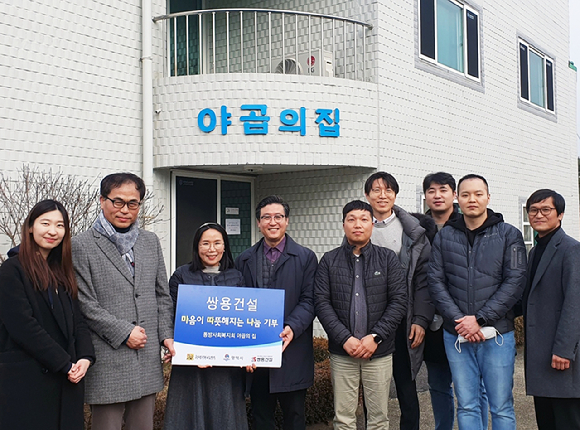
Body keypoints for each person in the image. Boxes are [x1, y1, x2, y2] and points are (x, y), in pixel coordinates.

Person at [72, 173, 174, 430]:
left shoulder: (150, 241)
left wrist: (166, 336)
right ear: (102, 200)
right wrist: (124, 332)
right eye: (117, 202)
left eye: (133, 203)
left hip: (146, 356)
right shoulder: (81, 245)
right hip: (108, 358)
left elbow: (162, 295)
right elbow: (84, 302)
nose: (125, 210)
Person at [428, 174, 526, 430]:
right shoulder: (445, 236)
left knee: (501, 406)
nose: (472, 199)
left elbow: (515, 282)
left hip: (498, 334)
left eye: (478, 194)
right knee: (467, 404)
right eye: (466, 194)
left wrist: (480, 319)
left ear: (488, 197)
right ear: (458, 199)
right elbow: (435, 282)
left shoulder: (509, 235)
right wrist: (460, 321)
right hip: (456, 334)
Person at [0, 199, 95, 430]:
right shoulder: (11, 270)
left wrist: (85, 357)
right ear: (30, 227)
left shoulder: (61, 271)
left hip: (66, 380)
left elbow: (78, 320)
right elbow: (23, 327)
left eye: (60, 225)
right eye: (45, 223)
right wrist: (64, 363)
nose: (53, 231)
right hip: (28, 381)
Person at [314, 200, 407, 430]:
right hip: (343, 352)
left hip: (379, 351)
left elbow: (398, 301)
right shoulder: (329, 260)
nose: (358, 225)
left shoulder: (387, 259)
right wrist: (344, 338)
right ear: (343, 224)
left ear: (372, 225)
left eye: (364, 219)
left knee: (378, 418)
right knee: (344, 418)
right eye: (352, 219)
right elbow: (322, 303)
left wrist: (376, 337)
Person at [235, 195, 317, 430]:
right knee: (261, 417)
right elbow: (239, 304)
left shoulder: (305, 258)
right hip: (257, 351)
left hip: (292, 349)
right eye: (266, 217)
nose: (273, 222)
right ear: (258, 223)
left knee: (295, 417)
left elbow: (310, 300)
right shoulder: (245, 259)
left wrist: (291, 327)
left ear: (287, 221)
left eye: (278, 217)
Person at [364, 171, 433, 430]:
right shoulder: (360, 225)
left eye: (388, 190)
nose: (382, 195)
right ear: (367, 195)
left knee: (406, 385)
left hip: (404, 319)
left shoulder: (412, 231)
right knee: (372, 387)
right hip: (369, 322)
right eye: (376, 190)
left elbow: (424, 280)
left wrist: (421, 319)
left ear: (395, 194)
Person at [164, 222, 248, 430]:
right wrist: (182, 348)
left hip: (226, 366)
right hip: (191, 366)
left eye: (217, 243)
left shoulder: (237, 277)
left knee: (225, 414)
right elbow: (170, 315)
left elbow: (244, 321)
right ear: (197, 246)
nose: (212, 249)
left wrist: (249, 354)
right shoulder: (181, 275)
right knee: (189, 415)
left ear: (225, 246)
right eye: (205, 243)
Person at [422, 172, 487, 430]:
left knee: (475, 387)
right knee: (438, 384)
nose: (437, 195)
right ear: (425, 196)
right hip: (432, 320)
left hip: (469, 320)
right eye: (431, 191)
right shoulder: (417, 230)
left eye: (443, 190)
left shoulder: (469, 224)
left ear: (454, 195)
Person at [522, 189, 580, 429]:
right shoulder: (536, 250)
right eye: (533, 210)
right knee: (546, 420)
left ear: (560, 214)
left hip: (561, 355)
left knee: (567, 421)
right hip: (540, 354)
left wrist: (564, 350)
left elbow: (575, 303)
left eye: (546, 209)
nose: (538, 215)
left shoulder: (571, 249)